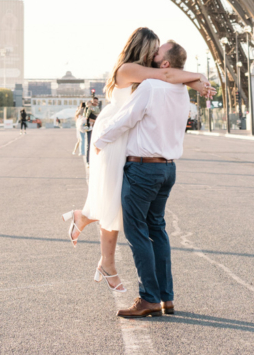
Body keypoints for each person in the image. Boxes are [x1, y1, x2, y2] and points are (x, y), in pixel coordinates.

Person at [62, 28, 207, 299]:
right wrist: (198, 78)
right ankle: (107, 260)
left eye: (157, 51)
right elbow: (167, 73)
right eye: (152, 49)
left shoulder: (149, 77)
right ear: (142, 48)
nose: (154, 54)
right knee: (114, 198)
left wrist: (197, 79)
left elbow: (168, 74)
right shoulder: (129, 69)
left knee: (116, 199)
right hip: (114, 134)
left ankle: (88, 226)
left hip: (124, 133)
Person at [93, 40, 195, 319]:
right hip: (167, 170)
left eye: (158, 52)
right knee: (157, 231)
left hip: (143, 169)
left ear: (164, 64)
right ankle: (166, 297)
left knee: (137, 232)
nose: (152, 54)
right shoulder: (181, 90)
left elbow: (127, 117)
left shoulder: (150, 87)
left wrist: (100, 140)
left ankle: (149, 297)